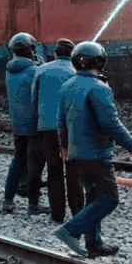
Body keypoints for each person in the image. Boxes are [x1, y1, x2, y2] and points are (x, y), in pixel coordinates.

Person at [54, 41, 132, 259]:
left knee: (93, 197)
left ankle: (94, 244)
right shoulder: (99, 88)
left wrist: (64, 146)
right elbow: (110, 123)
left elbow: (61, 121)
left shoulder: (67, 85)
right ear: (100, 61)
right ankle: (70, 230)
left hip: (77, 153)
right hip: (96, 154)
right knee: (109, 199)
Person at [31, 38, 84, 224]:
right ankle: (78, 212)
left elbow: (33, 99)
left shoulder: (41, 69)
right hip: (72, 129)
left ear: (55, 53)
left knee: (53, 170)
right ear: (72, 55)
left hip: (48, 128)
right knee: (74, 171)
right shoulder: (77, 71)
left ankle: (57, 214)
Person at [1, 32, 43, 215]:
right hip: (33, 125)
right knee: (34, 164)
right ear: (30, 50)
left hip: (18, 125)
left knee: (18, 161)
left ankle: (7, 201)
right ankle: (33, 204)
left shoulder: (9, 71)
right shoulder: (35, 70)